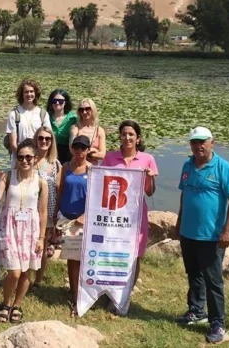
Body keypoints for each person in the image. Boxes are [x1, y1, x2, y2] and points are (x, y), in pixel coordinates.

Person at [175, 127, 229, 345]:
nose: (198, 146)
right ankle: (195, 311)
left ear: (212, 142)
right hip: (188, 233)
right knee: (194, 275)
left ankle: (218, 323)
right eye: (194, 142)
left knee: (214, 282)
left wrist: (228, 230)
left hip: (211, 237)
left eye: (202, 141)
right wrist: (179, 221)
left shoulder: (223, 167)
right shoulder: (187, 165)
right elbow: (185, 193)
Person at [101, 120, 158, 295]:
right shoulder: (110, 158)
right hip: (114, 215)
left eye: (131, 134)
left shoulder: (147, 159)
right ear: (120, 136)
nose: (127, 137)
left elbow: (150, 192)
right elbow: (101, 184)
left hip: (136, 216)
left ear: (138, 138)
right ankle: (111, 290)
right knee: (113, 251)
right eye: (124, 134)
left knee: (134, 255)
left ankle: (126, 294)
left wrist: (149, 178)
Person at [0, 138, 48, 323]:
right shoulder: (7, 176)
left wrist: (41, 238)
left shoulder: (41, 183)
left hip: (31, 230)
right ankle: (5, 303)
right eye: (20, 157)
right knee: (14, 272)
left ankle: (17, 304)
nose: (24, 161)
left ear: (35, 158)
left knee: (26, 271)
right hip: (9, 227)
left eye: (28, 157)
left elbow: (42, 212)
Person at [54, 135, 92, 318]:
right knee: (71, 257)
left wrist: (85, 215)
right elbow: (60, 192)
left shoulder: (92, 169)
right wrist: (55, 215)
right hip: (66, 219)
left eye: (83, 148)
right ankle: (74, 289)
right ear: (71, 148)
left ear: (88, 150)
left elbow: (96, 197)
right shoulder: (66, 167)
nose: (79, 151)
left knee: (80, 259)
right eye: (76, 147)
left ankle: (80, 295)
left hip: (83, 220)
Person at [31, 126, 62, 289]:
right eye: (41, 138)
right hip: (28, 209)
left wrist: (56, 212)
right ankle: (24, 276)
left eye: (47, 139)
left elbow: (58, 190)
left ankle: (38, 280)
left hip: (47, 212)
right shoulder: (28, 159)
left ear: (51, 142)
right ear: (36, 140)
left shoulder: (55, 164)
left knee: (42, 247)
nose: (44, 141)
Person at [6, 79, 52, 155]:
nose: (29, 94)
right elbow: (13, 144)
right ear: (22, 94)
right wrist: (22, 157)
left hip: (38, 156)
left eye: (31, 91)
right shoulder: (14, 114)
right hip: (19, 157)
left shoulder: (43, 114)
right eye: (26, 92)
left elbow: (48, 138)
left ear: (36, 93)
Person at [69, 98, 105, 164]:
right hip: (77, 165)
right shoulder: (75, 128)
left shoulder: (100, 130)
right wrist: (92, 152)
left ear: (93, 110)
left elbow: (102, 155)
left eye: (87, 109)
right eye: (81, 110)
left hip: (94, 168)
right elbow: (72, 150)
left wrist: (83, 152)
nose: (84, 112)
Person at [46, 89, 77, 163]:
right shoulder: (46, 117)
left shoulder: (73, 118)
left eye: (60, 101)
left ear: (65, 102)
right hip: (49, 153)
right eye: (54, 101)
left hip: (67, 154)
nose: (57, 103)